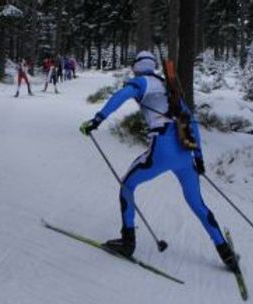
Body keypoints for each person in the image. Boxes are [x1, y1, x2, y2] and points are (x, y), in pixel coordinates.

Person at [79, 50, 237, 271]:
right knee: (197, 204)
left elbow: (121, 96)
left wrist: (97, 120)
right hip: (185, 154)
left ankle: (127, 242)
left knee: (127, 185)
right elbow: (189, 121)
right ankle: (226, 254)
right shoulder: (169, 88)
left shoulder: (142, 82)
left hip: (161, 150)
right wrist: (198, 158)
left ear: (137, 66)